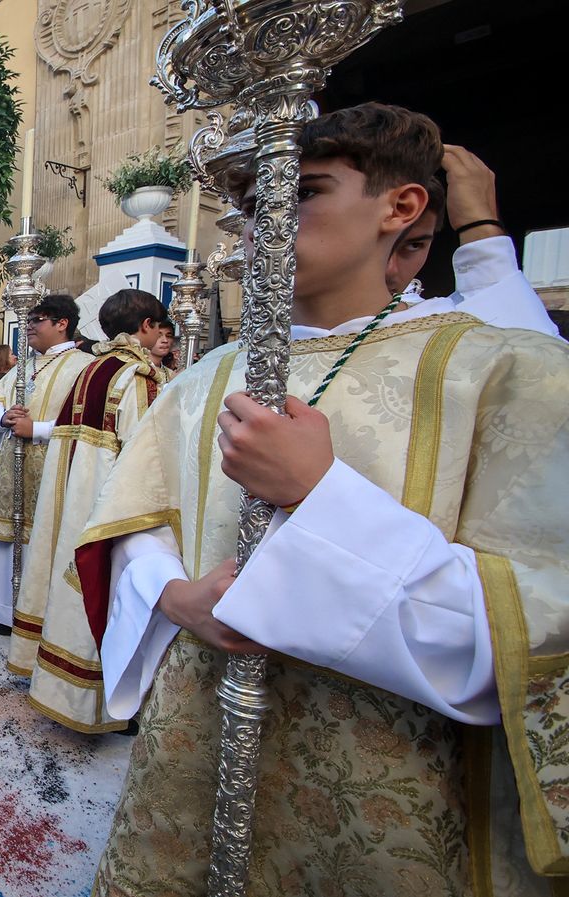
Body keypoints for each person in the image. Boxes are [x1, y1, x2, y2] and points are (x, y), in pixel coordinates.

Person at [83, 101, 569, 894]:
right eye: (249, 206)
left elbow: (531, 634)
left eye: (302, 190)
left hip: (394, 789)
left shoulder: (506, 374)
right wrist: (174, 594)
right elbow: (137, 520)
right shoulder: (202, 379)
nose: (263, 221)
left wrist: (319, 494)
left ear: (401, 207)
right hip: (199, 737)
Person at [8, 289, 168, 732]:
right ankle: (104, 702)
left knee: (68, 588)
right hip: (112, 507)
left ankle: (56, 682)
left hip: (71, 503)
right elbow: (149, 455)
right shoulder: (138, 377)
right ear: (147, 326)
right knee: (111, 595)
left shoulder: (89, 369)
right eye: (159, 327)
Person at [0, 296, 93, 635]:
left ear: (62, 323)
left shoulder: (84, 367)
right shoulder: (22, 367)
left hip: (53, 467)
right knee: (7, 537)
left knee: (43, 537)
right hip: (12, 467)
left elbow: (89, 424)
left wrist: (36, 430)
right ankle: (3, 608)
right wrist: (3, 417)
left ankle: (39, 613)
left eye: (37, 319)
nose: (29, 326)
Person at [385, 145, 560, 338]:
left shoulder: (431, 323)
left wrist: (480, 227)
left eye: (413, 245)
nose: (390, 270)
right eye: (374, 243)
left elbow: (531, 352)